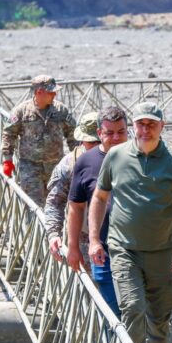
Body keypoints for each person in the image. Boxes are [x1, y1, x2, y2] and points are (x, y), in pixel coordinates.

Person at [88, 102, 172, 343]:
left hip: (164, 253)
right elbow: (99, 198)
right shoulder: (116, 156)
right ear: (133, 127)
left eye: (152, 124)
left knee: (160, 321)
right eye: (140, 124)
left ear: (162, 126)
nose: (145, 129)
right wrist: (94, 240)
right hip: (124, 250)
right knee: (133, 309)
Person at [65, 106, 129, 317]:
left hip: (139, 251)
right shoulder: (86, 161)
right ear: (99, 133)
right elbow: (75, 207)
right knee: (112, 313)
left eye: (121, 132)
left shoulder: (142, 157)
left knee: (135, 310)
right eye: (109, 133)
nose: (116, 138)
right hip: (103, 252)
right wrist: (73, 246)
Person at [1, 75, 77, 207]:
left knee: (56, 204)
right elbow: (9, 133)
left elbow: (72, 134)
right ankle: (33, 227)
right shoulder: (22, 111)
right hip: (30, 166)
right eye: (51, 91)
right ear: (39, 92)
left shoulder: (60, 110)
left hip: (55, 166)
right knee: (33, 206)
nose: (55, 94)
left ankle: (51, 228)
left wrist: (78, 158)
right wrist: (7, 160)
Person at [44, 112, 100, 263]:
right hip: (83, 240)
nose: (96, 147)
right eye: (91, 143)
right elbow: (55, 202)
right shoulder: (70, 164)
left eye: (99, 142)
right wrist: (53, 234)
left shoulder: (122, 159)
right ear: (82, 141)